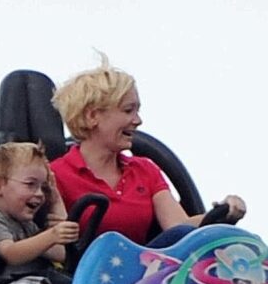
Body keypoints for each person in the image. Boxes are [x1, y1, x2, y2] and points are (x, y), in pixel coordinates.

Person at [48, 59, 246, 247]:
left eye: (137, 111)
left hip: (145, 273)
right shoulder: (57, 175)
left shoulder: (145, 170)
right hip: (87, 277)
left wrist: (222, 215)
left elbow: (179, 226)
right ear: (93, 116)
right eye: (128, 111)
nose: (138, 120)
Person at [0, 142, 80, 284]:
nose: (40, 194)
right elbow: (11, 254)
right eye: (30, 184)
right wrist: (52, 235)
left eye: (44, 187)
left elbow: (61, 254)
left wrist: (55, 200)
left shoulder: (26, 224)